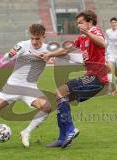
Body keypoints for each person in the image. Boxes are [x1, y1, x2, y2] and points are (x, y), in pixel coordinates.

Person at [0, 24, 51, 150]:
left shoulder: (49, 49)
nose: (34, 42)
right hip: (12, 86)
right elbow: (4, 59)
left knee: (46, 107)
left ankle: (26, 132)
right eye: (32, 38)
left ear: (43, 36)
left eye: (37, 39)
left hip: (30, 88)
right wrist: (10, 54)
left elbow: (61, 56)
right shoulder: (23, 45)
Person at [39, 10, 108, 148]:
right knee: (60, 100)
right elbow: (66, 49)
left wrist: (88, 32)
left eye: (81, 22)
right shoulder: (82, 37)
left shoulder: (95, 31)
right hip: (90, 78)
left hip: (97, 78)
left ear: (90, 21)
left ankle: (71, 130)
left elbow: (103, 43)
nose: (79, 25)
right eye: (78, 23)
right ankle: (62, 137)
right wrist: (50, 54)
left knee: (59, 93)